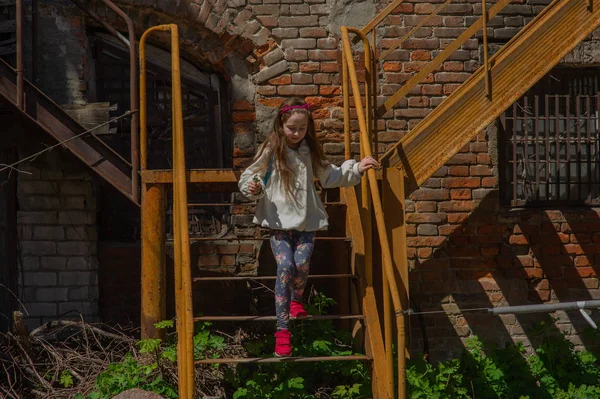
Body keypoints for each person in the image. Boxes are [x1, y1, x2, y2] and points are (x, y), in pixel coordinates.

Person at [238, 97, 378, 357]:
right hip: (279, 221)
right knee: (285, 266)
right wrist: (253, 187)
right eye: (292, 127)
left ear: (308, 127)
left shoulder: (311, 149)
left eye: (302, 128)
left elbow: (329, 175)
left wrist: (357, 168)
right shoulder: (272, 148)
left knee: (301, 264)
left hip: (306, 221)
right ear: (281, 125)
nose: (296, 133)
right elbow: (251, 175)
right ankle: (282, 332)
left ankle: (296, 300)